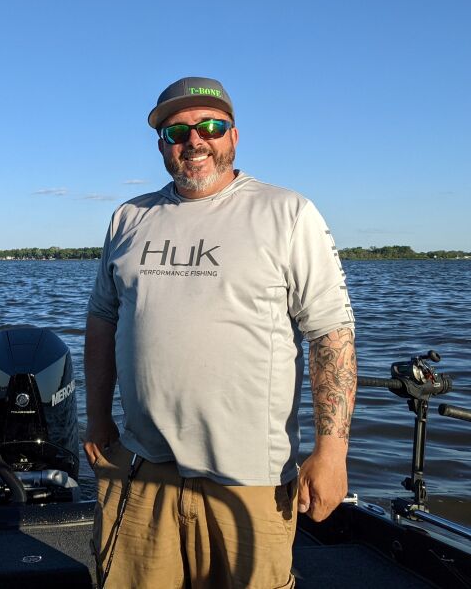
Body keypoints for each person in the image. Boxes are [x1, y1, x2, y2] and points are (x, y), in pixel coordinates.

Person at [84, 77, 357, 588]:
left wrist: (331, 452)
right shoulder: (128, 218)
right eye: (177, 131)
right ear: (162, 143)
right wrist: (98, 421)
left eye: (211, 126)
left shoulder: (288, 212)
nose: (195, 140)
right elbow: (103, 319)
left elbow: (331, 335)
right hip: (142, 470)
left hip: (250, 480)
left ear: (233, 136)